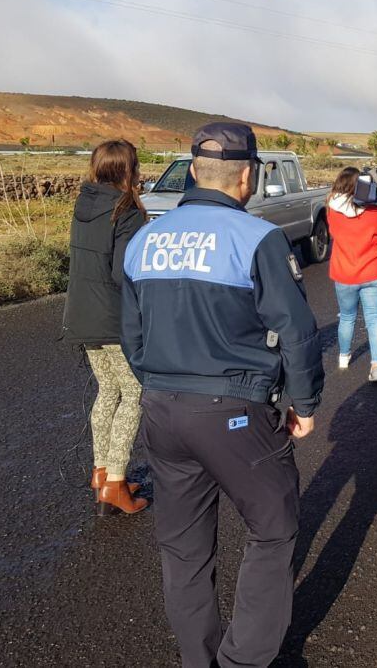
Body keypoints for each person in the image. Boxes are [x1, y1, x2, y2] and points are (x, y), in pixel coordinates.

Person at [120, 122, 324, 668]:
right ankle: (243, 660)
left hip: (163, 410)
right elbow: (298, 331)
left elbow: (132, 339)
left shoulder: (146, 239)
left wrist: (163, 386)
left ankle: (198, 659)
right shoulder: (257, 238)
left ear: (193, 171)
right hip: (234, 410)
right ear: (248, 175)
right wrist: (303, 404)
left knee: (183, 548)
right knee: (274, 529)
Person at [61, 139, 148, 515]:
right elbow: (123, 273)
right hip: (113, 318)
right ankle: (115, 482)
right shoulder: (125, 210)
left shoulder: (83, 205)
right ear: (127, 169)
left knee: (108, 390)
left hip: (80, 315)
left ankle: (101, 472)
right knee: (134, 393)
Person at [326, 166, 377, 382]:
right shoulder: (375, 211)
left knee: (347, 317)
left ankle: (344, 357)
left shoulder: (332, 209)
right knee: (374, 320)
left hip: (345, 273)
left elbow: (332, 232)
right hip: (374, 272)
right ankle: (376, 367)